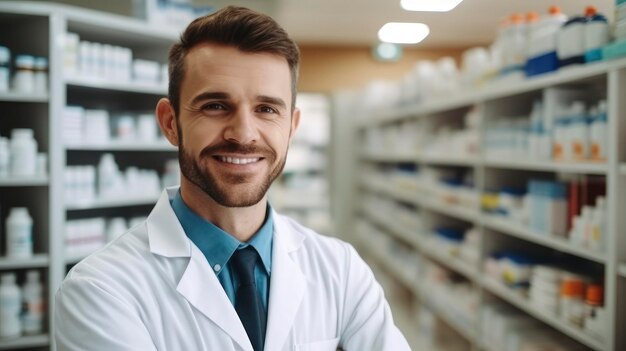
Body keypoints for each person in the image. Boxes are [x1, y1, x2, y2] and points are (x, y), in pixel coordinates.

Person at [54, 5, 411, 351]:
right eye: (215, 105)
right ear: (170, 122)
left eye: (267, 109)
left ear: (292, 127)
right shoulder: (101, 289)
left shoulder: (341, 269)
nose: (243, 134)